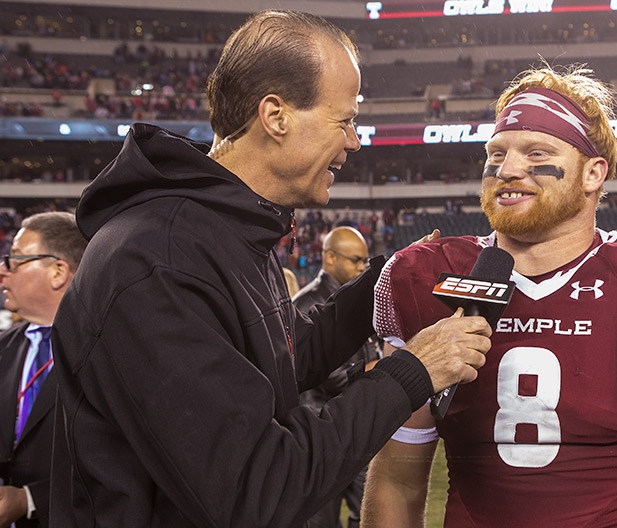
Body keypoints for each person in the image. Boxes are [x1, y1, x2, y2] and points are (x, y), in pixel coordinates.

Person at [48, 10, 491, 527]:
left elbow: (281, 358)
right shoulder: (157, 259)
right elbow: (257, 489)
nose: (355, 141)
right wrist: (414, 370)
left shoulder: (222, 231)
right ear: (276, 116)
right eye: (344, 120)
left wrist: (393, 277)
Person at [361, 64, 617, 527]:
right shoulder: (425, 278)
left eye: (535, 151)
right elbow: (396, 483)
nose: (508, 169)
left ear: (592, 174)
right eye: (496, 154)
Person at [0, 212, 87, 527]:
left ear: (57, 272)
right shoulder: (4, 347)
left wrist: (29, 499)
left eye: (15, 261)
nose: (2, 272)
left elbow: (127, 462)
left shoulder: (110, 349)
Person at [293, 226, 381, 528]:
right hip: (321, 441)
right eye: (356, 260)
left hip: (348, 432)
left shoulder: (347, 301)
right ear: (329, 257)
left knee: (370, 516)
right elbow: (334, 378)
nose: (361, 268)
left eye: (365, 261)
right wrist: (387, 371)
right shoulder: (308, 304)